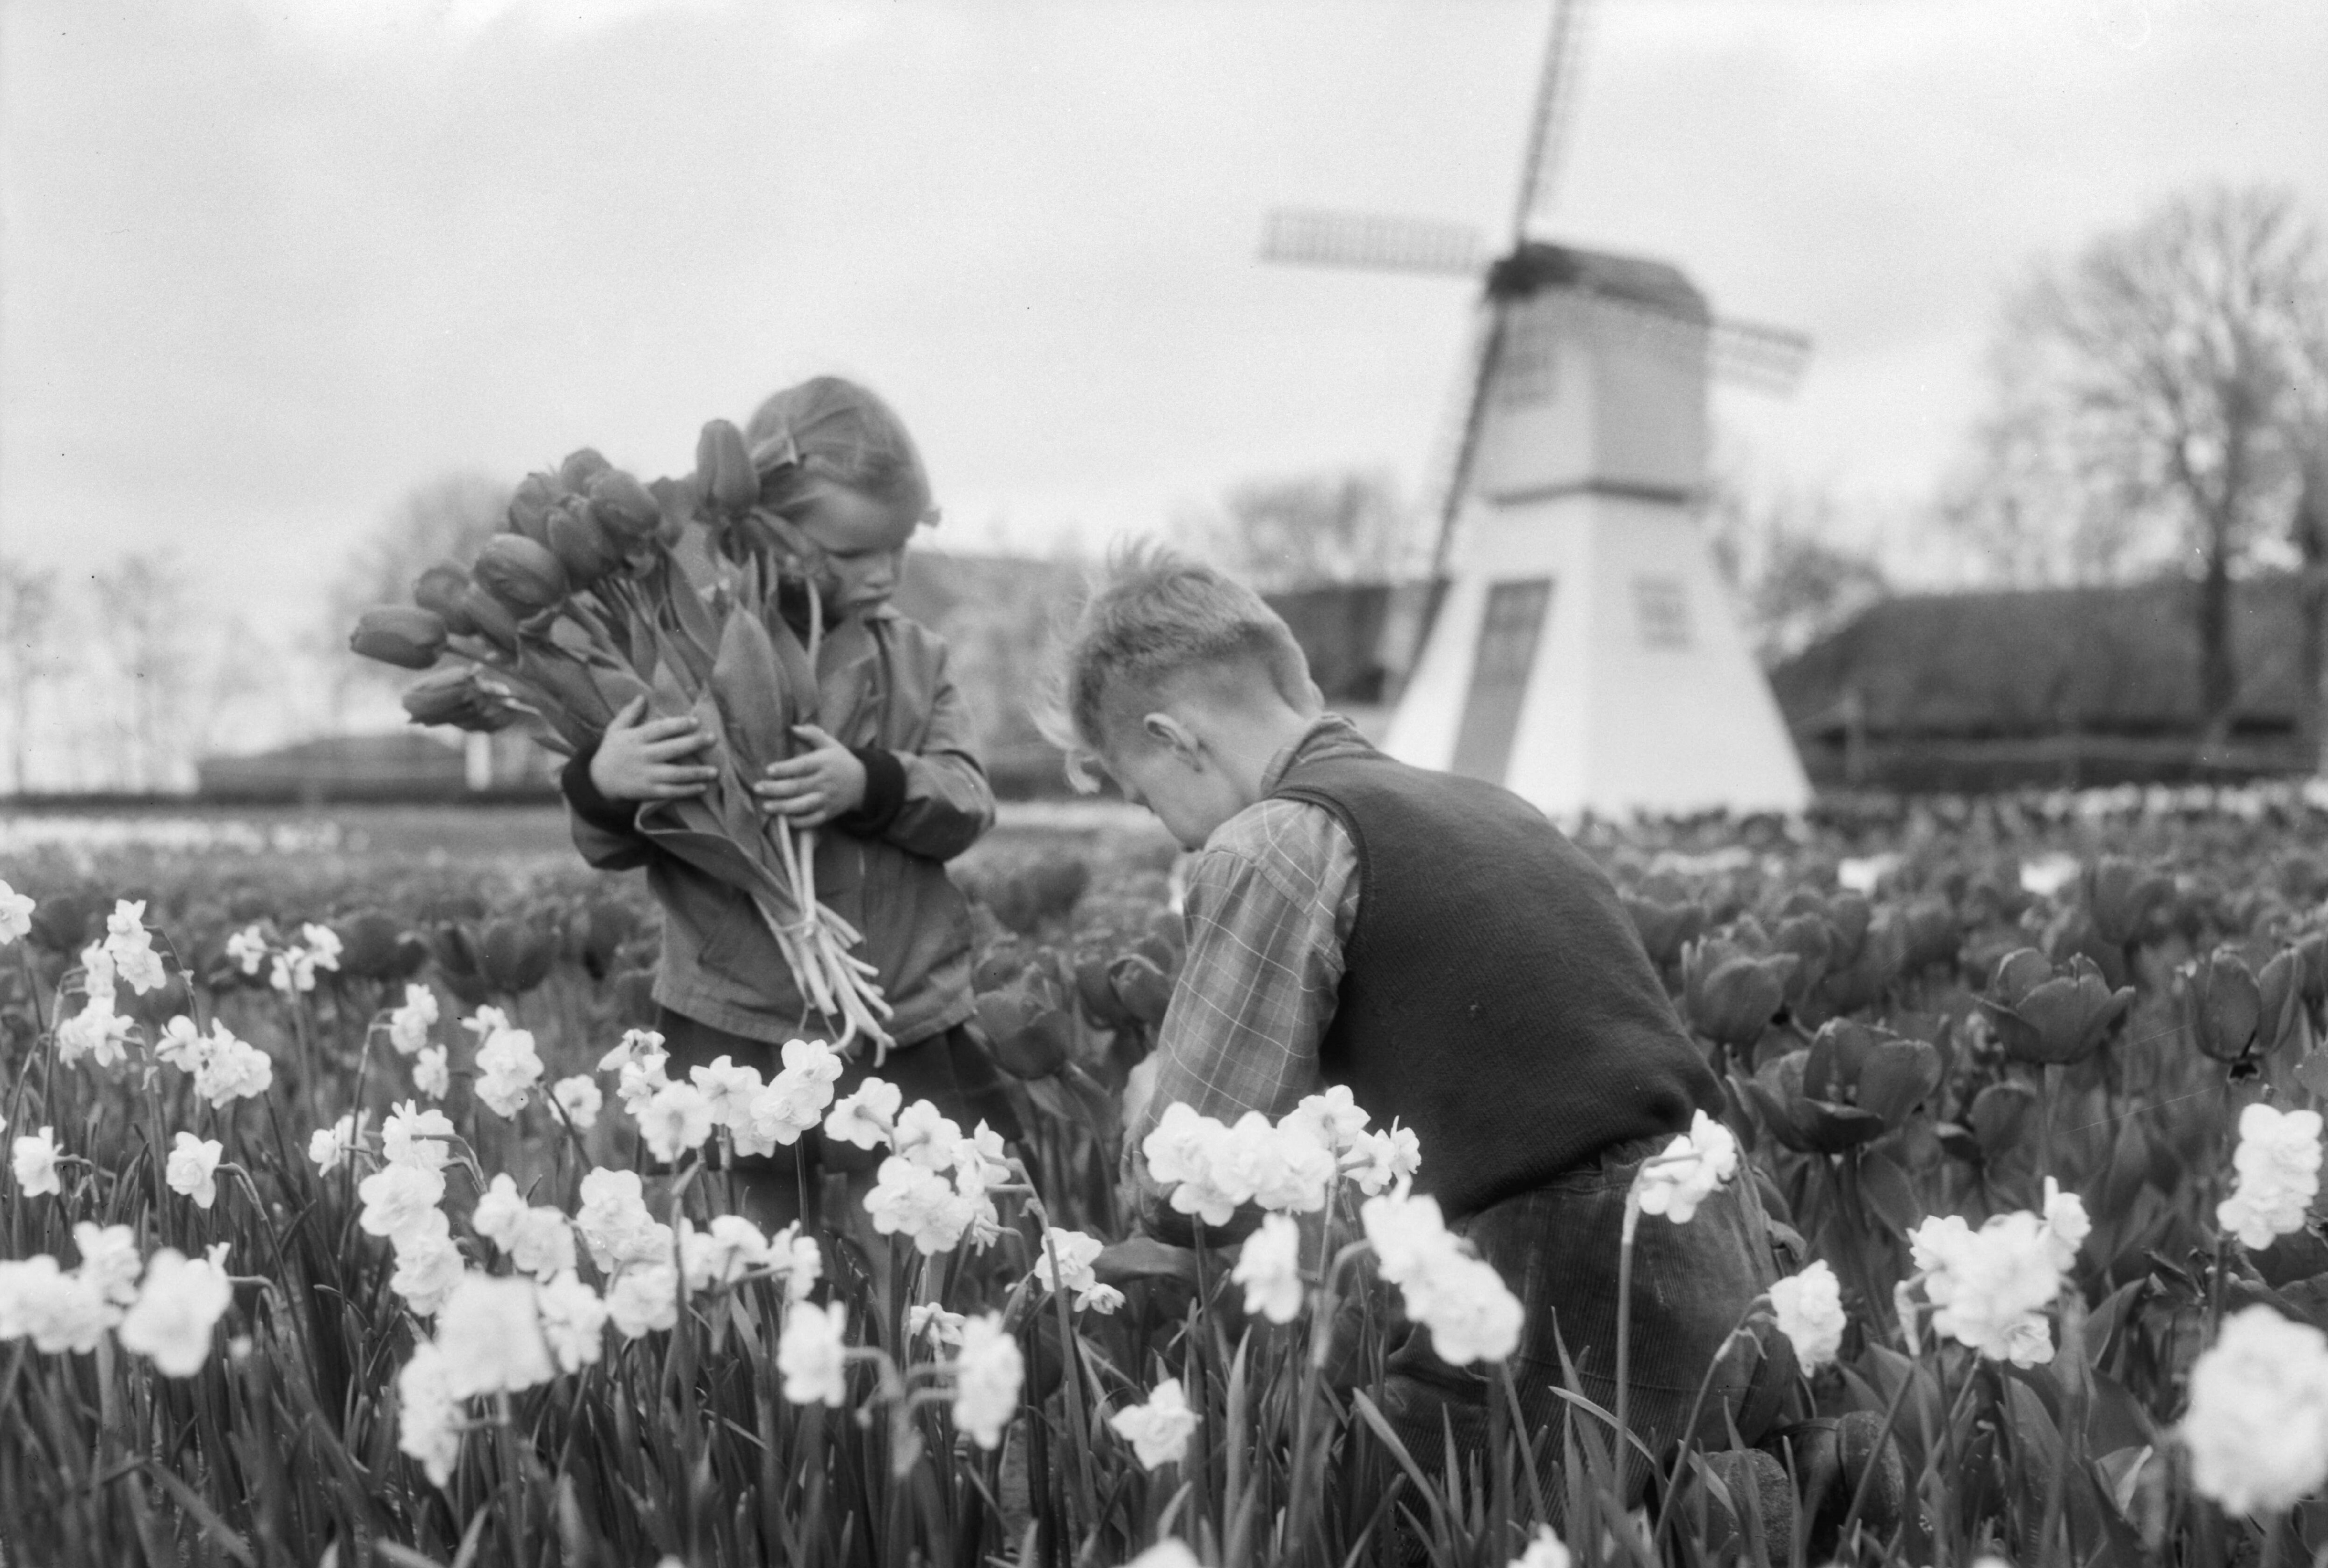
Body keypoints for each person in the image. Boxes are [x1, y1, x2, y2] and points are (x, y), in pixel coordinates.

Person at [1046, 543, 1793, 1508]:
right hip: (1732, 1249)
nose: (1177, 835)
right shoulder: (1495, 808)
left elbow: (1201, 1186)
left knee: (1350, 1508)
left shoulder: (1276, 838)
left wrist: (1152, 1106)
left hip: (1562, 1276)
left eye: (1148, 799)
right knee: (1684, 1517)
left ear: (1174, 737)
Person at [561, 376, 1021, 1239]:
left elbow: (965, 797)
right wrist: (604, 780)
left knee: (915, 1223)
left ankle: (901, 1364)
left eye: (898, 546)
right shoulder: (683, 652)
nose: (882, 571)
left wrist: (873, 783)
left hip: (897, 1004)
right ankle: (775, 1368)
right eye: (850, 553)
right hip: (739, 1005)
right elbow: (621, 843)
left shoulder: (918, 660)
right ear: (763, 527)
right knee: (759, 1231)